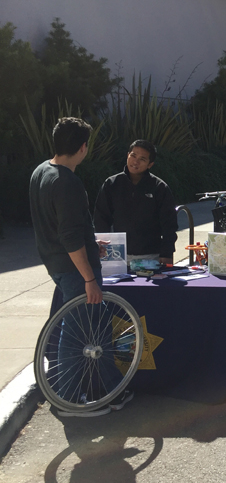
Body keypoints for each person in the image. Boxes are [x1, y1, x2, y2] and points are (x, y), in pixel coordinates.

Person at [29, 117, 133, 417]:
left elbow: (59, 225)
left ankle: (110, 391)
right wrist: (89, 277)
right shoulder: (68, 182)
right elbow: (70, 235)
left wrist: (91, 244)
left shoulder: (41, 171)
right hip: (75, 269)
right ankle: (68, 400)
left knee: (91, 331)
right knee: (81, 335)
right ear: (83, 147)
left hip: (57, 263)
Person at [94, 140, 178, 265]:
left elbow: (169, 225)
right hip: (117, 255)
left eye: (142, 159)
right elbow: (101, 219)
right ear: (127, 155)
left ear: (150, 164)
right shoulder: (112, 184)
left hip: (151, 257)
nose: (135, 161)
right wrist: (101, 248)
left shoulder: (159, 188)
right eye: (133, 155)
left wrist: (167, 254)